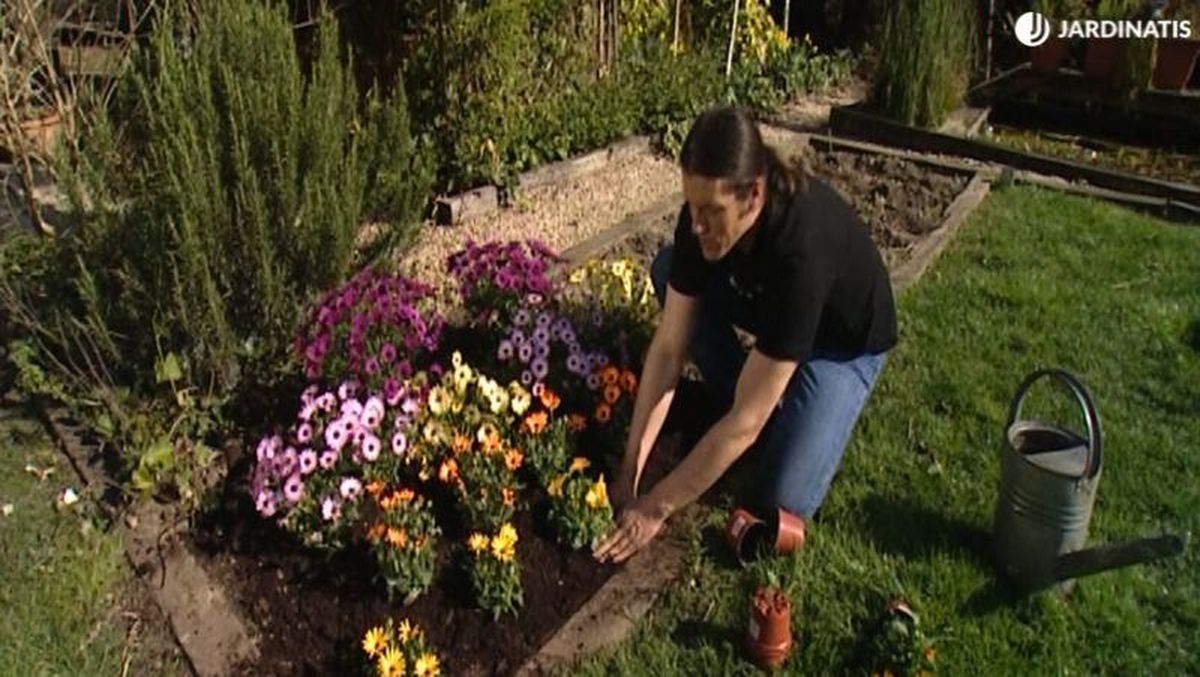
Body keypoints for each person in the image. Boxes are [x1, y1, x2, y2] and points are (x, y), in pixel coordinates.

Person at [592, 106, 897, 564]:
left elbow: (746, 423)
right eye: (692, 206)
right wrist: (629, 471)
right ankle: (759, 386)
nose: (697, 226)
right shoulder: (703, 224)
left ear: (753, 195)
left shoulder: (801, 251)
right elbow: (670, 348)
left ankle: (781, 392)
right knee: (669, 268)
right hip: (771, 307)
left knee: (780, 496)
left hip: (842, 345)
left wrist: (655, 509)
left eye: (712, 212)